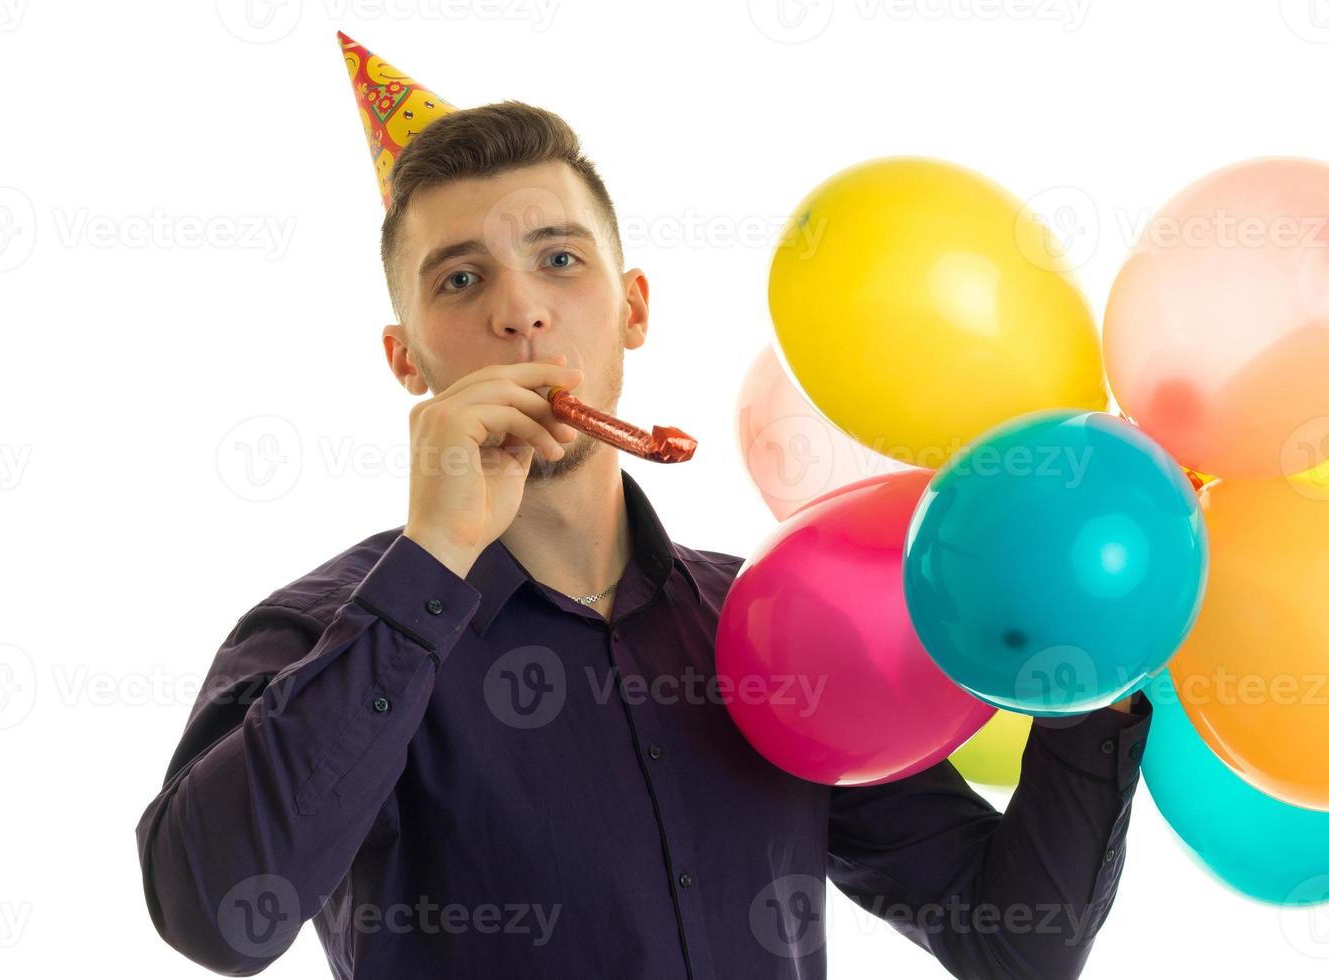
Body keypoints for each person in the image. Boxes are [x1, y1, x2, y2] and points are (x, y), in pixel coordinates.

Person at [134, 39, 1152, 980]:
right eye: (460, 278)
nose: (520, 309)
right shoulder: (320, 636)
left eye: (560, 260)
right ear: (409, 359)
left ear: (634, 308)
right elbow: (221, 916)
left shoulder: (772, 626)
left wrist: (1102, 633)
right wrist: (435, 555)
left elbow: (1012, 937)